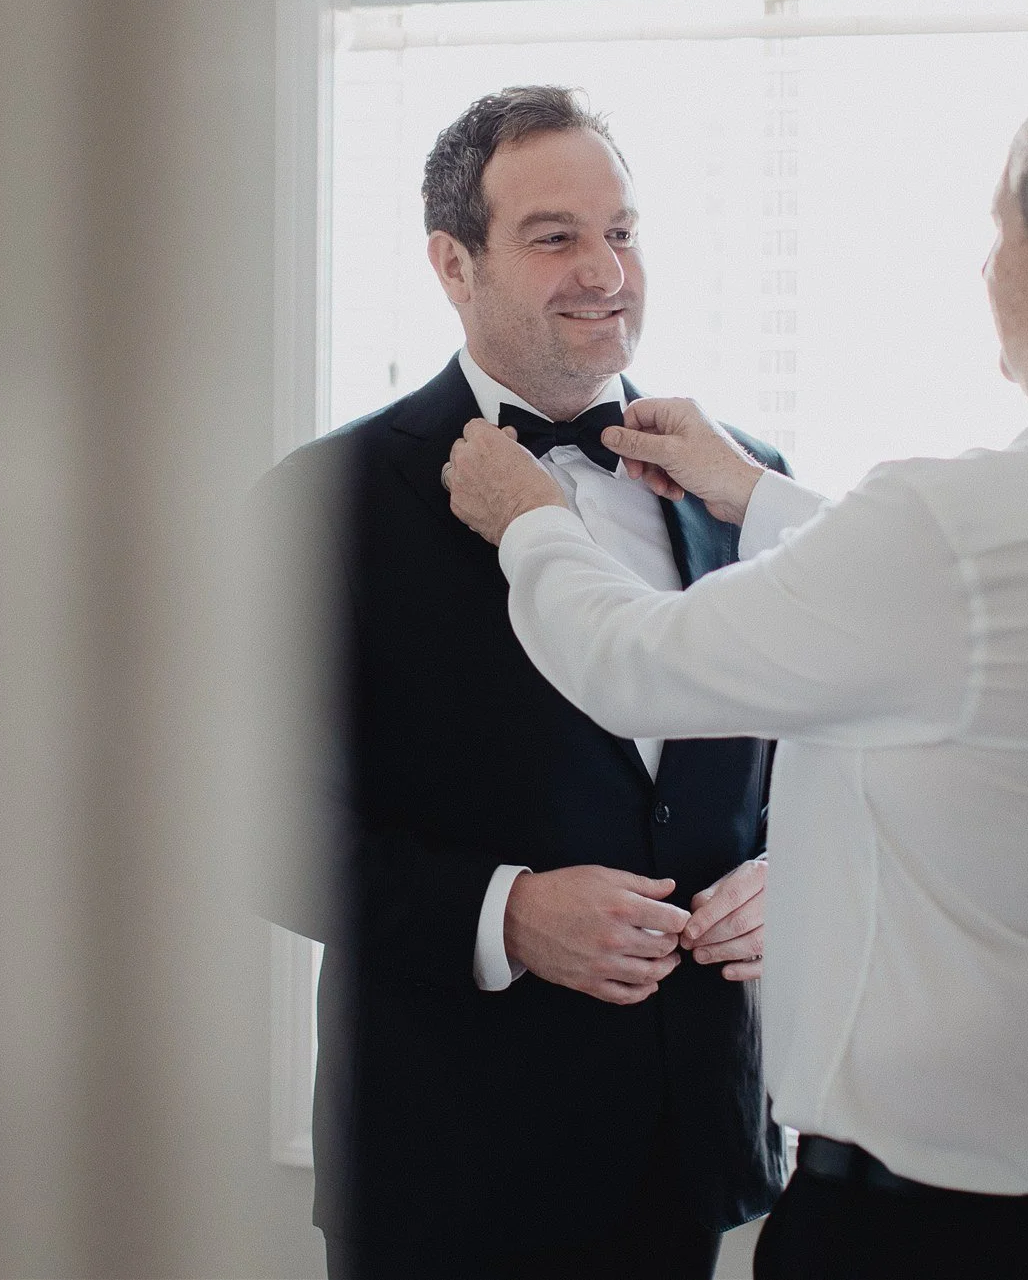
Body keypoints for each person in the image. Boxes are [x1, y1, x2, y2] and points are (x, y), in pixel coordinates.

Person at [444, 55, 1028, 1277]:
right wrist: (759, 497)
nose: (985, 269)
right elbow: (1013, 621)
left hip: (922, 1234)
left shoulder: (953, 530)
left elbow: (631, 661)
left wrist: (531, 522)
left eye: (997, 230)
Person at [260, 85, 787, 1280]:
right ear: (453, 263)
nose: (605, 270)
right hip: (444, 1165)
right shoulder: (324, 502)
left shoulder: (746, 480)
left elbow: (812, 754)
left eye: (622, 230)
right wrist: (502, 914)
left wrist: (786, 877)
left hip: (687, 1145)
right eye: (555, 236)